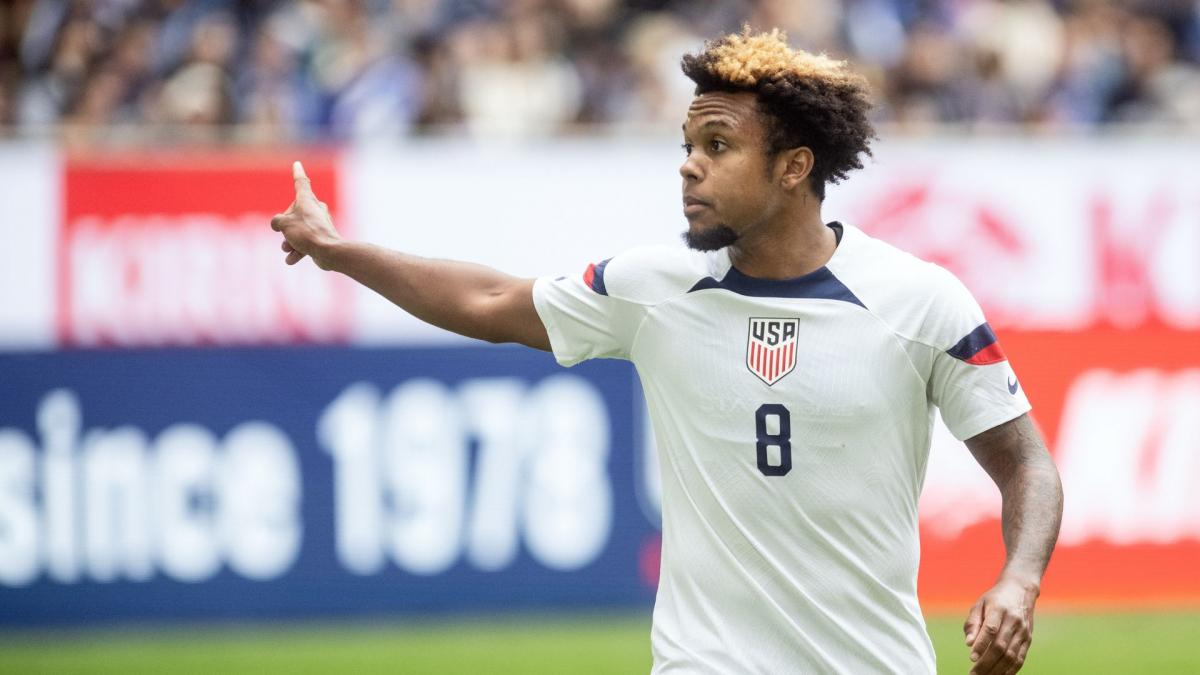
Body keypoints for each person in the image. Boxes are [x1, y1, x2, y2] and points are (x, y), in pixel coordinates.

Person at [271, 27, 1063, 675]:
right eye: (688, 141)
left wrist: (1019, 581)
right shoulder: (654, 288)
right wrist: (340, 252)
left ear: (793, 168)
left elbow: (1025, 463)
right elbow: (489, 302)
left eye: (718, 144)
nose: (689, 162)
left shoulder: (920, 301)